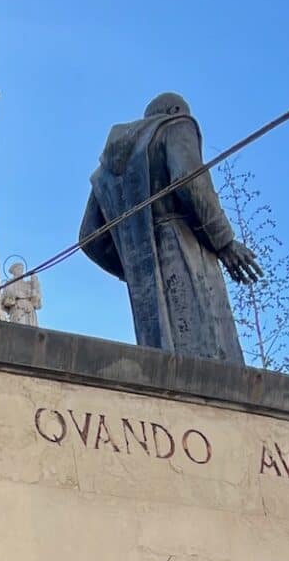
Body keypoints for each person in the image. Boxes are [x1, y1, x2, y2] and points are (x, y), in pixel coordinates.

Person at [79, 93, 260, 362]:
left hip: (145, 268)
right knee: (210, 350)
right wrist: (225, 242)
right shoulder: (176, 125)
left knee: (163, 357)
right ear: (174, 110)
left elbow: (89, 237)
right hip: (185, 243)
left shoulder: (107, 169)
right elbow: (188, 179)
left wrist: (133, 263)